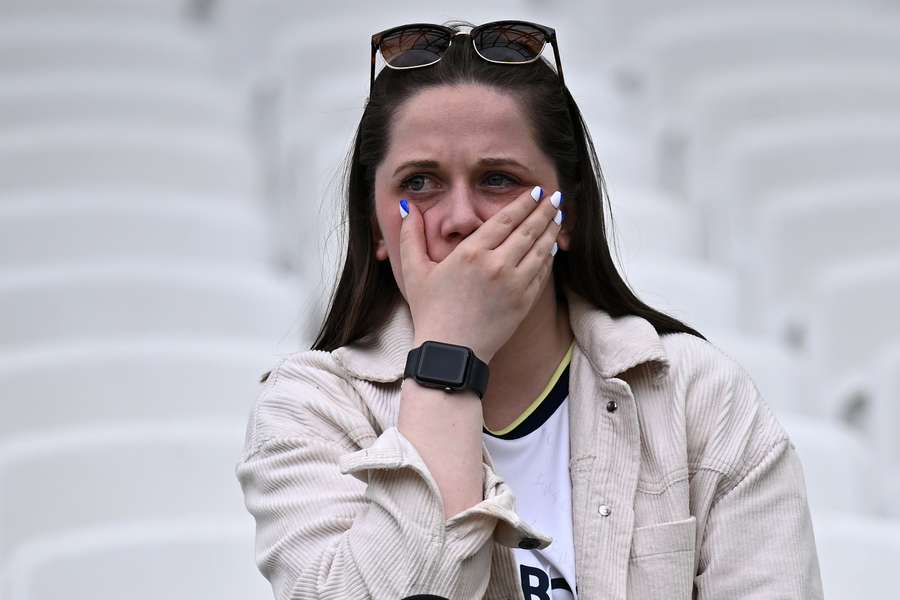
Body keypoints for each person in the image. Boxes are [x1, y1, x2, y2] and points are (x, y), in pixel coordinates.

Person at [235, 19, 824, 600]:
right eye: (419, 182)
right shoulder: (308, 412)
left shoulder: (697, 394)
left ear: (565, 216)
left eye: (497, 179)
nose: (461, 218)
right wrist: (450, 354)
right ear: (377, 228)